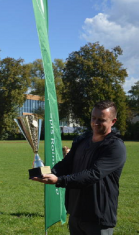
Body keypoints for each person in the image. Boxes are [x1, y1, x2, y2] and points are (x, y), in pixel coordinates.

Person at [32, 100, 126, 235]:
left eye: (101, 120)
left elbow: (93, 174)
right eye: (93, 118)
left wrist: (59, 180)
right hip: (76, 212)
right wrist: (44, 171)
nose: (95, 123)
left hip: (98, 216)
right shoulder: (82, 141)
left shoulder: (115, 147)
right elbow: (66, 164)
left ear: (113, 121)